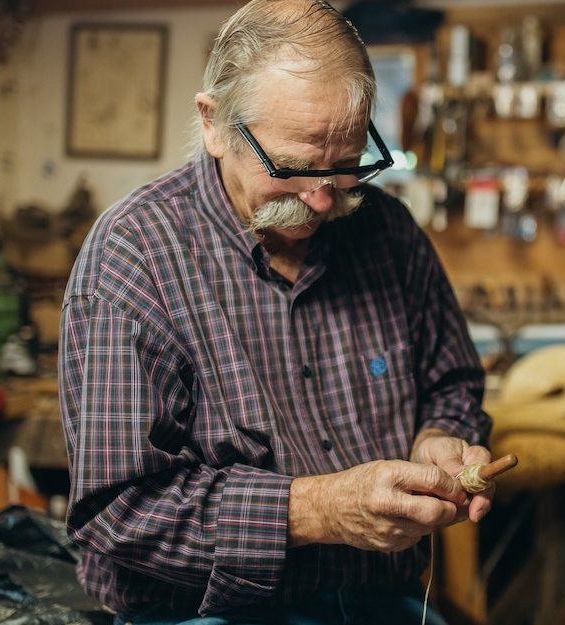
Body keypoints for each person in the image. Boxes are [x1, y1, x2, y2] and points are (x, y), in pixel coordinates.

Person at [58, 2, 492, 623]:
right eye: (291, 167)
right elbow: (119, 508)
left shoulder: (388, 233)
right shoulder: (136, 256)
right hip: (200, 614)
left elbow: (451, 384)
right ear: (214, 125)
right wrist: (319, 509)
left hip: (379, 602)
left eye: (346, 165)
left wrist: (441, 441)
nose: (321, 198)